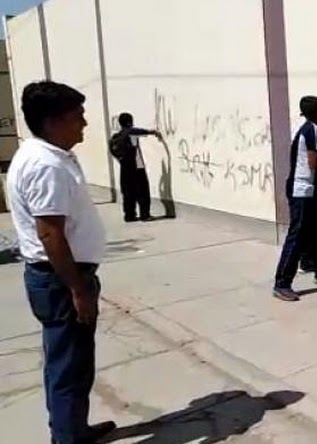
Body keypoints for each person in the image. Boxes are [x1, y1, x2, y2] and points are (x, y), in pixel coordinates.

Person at [6, 81, 116, 443]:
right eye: (77, 116)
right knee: (69, 368)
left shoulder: (47, 156)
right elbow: (50, 235)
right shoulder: (46, 166)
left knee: (68, 364)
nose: (84, 123)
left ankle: (73, 430)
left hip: (58, 278)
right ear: (53, 121)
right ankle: (68, 438)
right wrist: (78, 289)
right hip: (60, 280)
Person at [273, 96, 317, 302]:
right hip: (301, 191)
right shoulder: (312, 130)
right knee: (298, 235)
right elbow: (313, 163)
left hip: (309, 190)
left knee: (316, 231)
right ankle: (282, 282)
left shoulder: (309, 129)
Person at [108, 112, 162, 222]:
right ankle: (145, 215)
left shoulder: (116, 136)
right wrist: (153, 132)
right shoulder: (130, 132)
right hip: (137, 166)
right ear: (130, 122)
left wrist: (121, 160)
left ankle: (129, 215)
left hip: (124, 167)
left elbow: (112, 150)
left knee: (128, 192)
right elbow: (140, 131)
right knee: (142, 191)